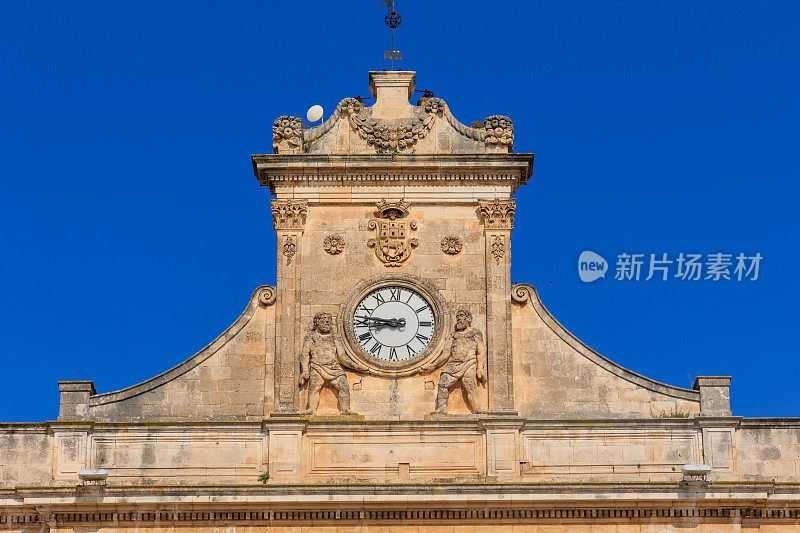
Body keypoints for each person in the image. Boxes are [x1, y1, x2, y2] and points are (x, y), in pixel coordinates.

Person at [424, 309, 486, 414]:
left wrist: (480, 368)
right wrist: (433, 365)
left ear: (469, 319)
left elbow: (481, 351)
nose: (458, 319)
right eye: (457, 317)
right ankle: (441, 409)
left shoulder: (475, 333)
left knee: (470, 385)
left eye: (461, 316)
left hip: (469, 363)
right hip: (453, 364)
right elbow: (446, 354)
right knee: (443, 383)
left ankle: (477, 409)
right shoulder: (453, 334)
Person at [298, 312, 357, 415]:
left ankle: (345, 409)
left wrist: (356, 366)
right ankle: (311, 409)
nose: (326, 324)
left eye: (328, 322)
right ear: (317, 322)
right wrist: (305, 371)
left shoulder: (335, 337)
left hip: (334, 367)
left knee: (343, 385)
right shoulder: (311, 337)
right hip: (317, 366)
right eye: (323, 321)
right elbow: (305, 355)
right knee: (314, 387)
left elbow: (342, 356)